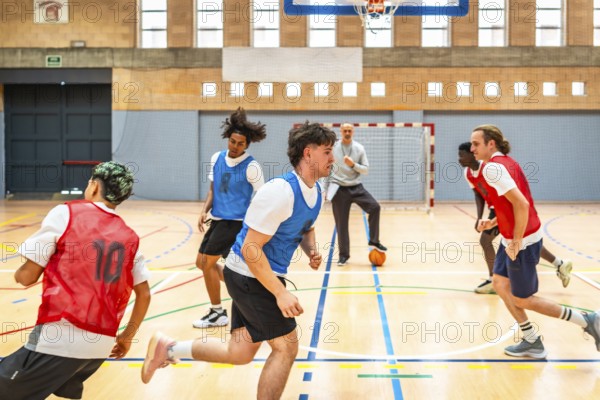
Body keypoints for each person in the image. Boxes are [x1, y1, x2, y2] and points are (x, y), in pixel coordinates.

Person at [141, 122, 337, 398]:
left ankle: (170, 349)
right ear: (308, 153)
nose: (333, 158)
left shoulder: (316, 192)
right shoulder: (280, 191)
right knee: (286, 347)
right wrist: (280, 292)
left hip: (256, 275)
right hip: (248, 275)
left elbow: (305, 227)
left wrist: (311, 251)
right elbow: (251, 250)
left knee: (240, 352)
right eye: (327, 152)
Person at [0, 161, 151, 399]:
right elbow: (144, 294)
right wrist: (126, 337)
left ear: (93, 186)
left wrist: (19, 274)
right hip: (100, 345)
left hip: (59, 336)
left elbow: (27, 276)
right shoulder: (129, 236)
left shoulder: (66, 213)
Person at [469, 125, 600, 359]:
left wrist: (517, 241)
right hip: (517, 235)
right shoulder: (508, 163)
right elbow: (512, 204)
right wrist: (494, 223)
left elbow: (522, 204)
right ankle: (532, 341)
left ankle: (588, 320)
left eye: (476, 144)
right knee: (499, 283)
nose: (472, 148)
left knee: (522, 298)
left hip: (522, 241)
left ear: (491, 144)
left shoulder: (493, 169)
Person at [458, 143, 573, 294]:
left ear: (472, 154)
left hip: (504, 209)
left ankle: (494, 279)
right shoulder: (467, 173)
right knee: (527, 243)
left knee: (486, 241)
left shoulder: (488, 168)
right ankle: (559, 263)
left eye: (462, 154)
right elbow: (478, 194)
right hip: (495, 209)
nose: (459, 158)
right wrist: (479, 217)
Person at [193, 107, 266, 329]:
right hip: (217, 220)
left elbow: (262, 197)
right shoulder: (217, 158)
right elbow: (213, 190)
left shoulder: (252, 166)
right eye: (232, 141)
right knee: (221, 267)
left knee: (205, 263)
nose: (235, 147)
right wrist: (204, 210)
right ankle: (251, 291)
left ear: (247, 145)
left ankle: (217, 312)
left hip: (235, 224)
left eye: (240, 143)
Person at [326, 123, 387, 266]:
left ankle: (374, 241)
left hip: (356, 187)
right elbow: (326, 167)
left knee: (375, 207)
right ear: (341, 131)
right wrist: (324, 189)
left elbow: (365, 169)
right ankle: (343, 256)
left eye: (349, 130)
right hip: (339, 189)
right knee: (341, 224)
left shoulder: (359, 148)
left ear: (353, 132)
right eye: (345, 130)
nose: (347, 132)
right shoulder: (333, 148)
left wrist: (353, 164)